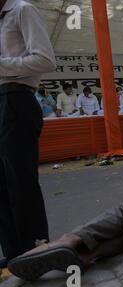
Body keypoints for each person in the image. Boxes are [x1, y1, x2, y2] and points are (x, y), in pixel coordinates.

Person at [0, 0, 56, 269]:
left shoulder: (22, 10)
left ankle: (37, 250)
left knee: (20, 181)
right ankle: (14, 254)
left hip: (16, 99)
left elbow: (46, 59)